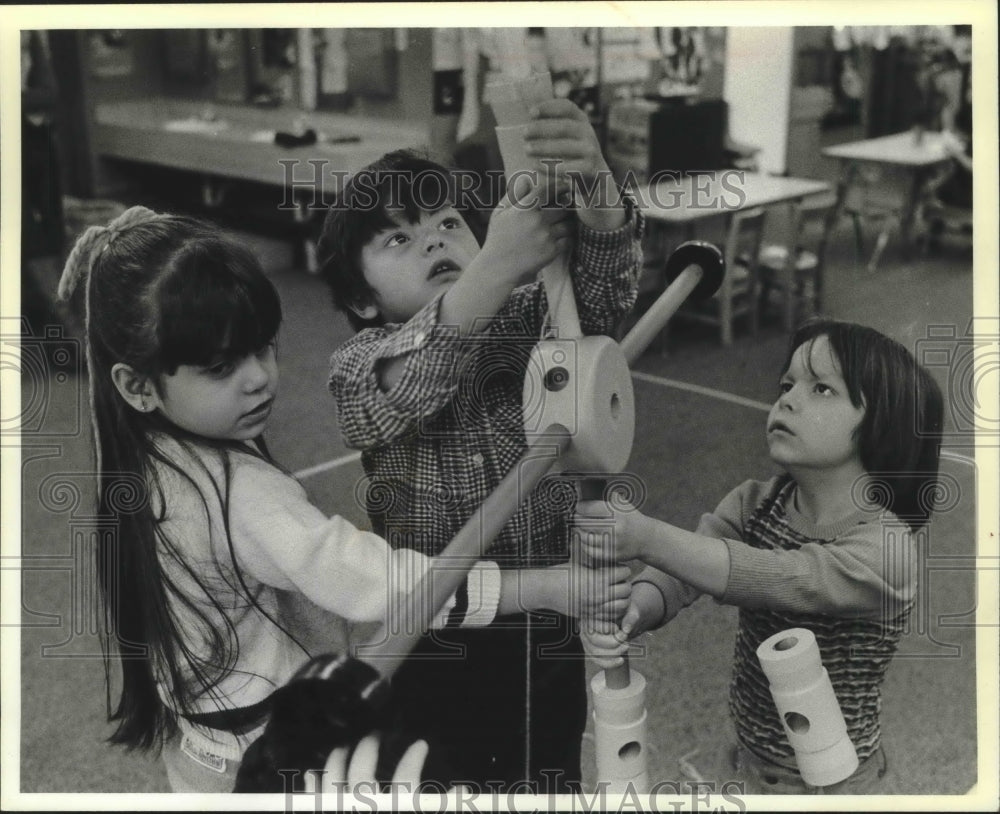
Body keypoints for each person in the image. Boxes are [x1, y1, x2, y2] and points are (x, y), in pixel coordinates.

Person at [56, 206, 627, 793]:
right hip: (272, 755)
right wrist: (547, 586)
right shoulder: (240, 493)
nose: (259, 378)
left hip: (201, 749)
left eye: (263, 348)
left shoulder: (135, 456)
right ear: (137, 386)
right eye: (222, 366)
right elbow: (378, 579)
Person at [320, 97, 645, 792]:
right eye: (399, 239)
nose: (436, 239)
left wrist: (596, 190)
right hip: (438, 634)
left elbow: (604, 292)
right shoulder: (358, 363)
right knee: (442, 780)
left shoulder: (532, 313)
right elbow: (411, 381)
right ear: (364, 301)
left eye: (446, 222)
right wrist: (495, 264)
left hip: (550, 621)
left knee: (548, 769)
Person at [576, 319, 944, 794]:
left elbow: (782, 578)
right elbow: (684, 573)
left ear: (883, 423)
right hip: (749, 757)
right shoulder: (756, 503)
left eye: (822, 389)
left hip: (837, 780)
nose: (787, 399)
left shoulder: (886, 549)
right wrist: (637, 607)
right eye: (787, 384)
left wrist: (647, 537)